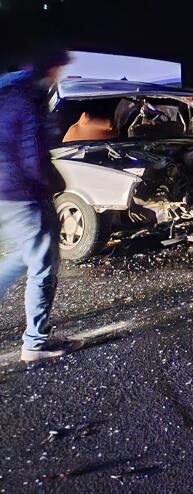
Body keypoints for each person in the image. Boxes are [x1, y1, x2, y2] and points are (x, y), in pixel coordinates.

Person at [0, 45, 80, 362]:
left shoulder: (7, 91)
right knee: (43, 266)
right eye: (60, 68)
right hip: (24, 193)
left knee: (23, 254)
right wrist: (54, 184)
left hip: (4, 191)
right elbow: (31, 152)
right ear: (52, 68)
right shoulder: (30, 99)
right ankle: (34, 343)